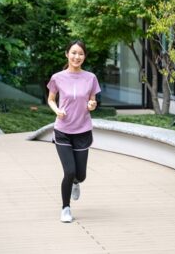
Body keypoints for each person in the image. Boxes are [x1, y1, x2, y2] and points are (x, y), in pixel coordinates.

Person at [47, 40, 101, 223]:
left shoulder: (91, 78)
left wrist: (92, 105)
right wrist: (57, 111)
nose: (77, 57)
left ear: (84, 56)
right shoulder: (57, 77)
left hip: (83, 130)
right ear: (67, 54)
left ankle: (76, 183)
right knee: (69, 171)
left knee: (81, 175)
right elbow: (51, 99)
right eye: (73, 53)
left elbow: (92, 102)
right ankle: (65, 208)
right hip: (62, 130)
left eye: (80, 54)